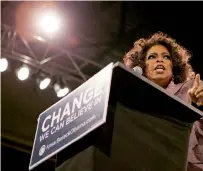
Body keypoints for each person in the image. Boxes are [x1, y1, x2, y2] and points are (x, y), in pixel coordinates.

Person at [123, 32, 203, 171]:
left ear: (173, 66)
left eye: (166, 57)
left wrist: (200, 104)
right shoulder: (132, 102)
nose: (160, 60)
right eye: (152, 57)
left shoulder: (189, 89)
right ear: (141, 66)